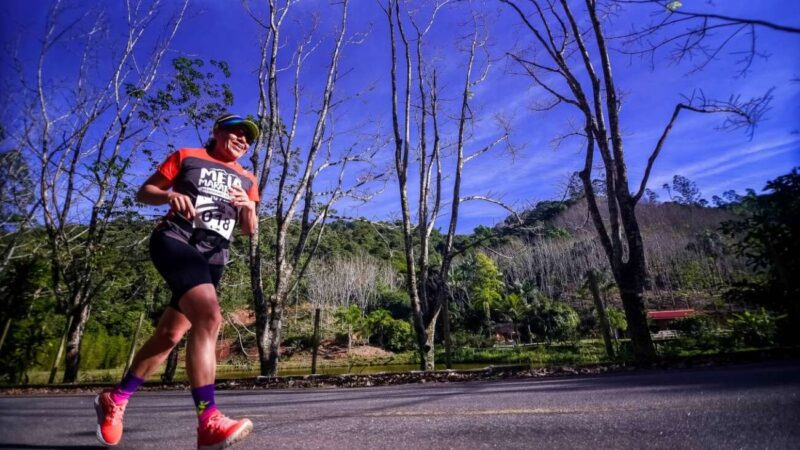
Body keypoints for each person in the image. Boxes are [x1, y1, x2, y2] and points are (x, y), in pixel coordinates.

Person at [94, 114, 260, 449]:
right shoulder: (187, 156)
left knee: (170, 334)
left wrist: (246, 207)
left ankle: (115, 398)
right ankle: (208, 418)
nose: (242, 139)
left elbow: (249, 229)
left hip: (213, 258)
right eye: (236, 132)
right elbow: (146, 192)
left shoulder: (248, 178)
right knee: (210, 316)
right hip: (176, 239)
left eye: (248, 138)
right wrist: (170, 197)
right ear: (216, 132)